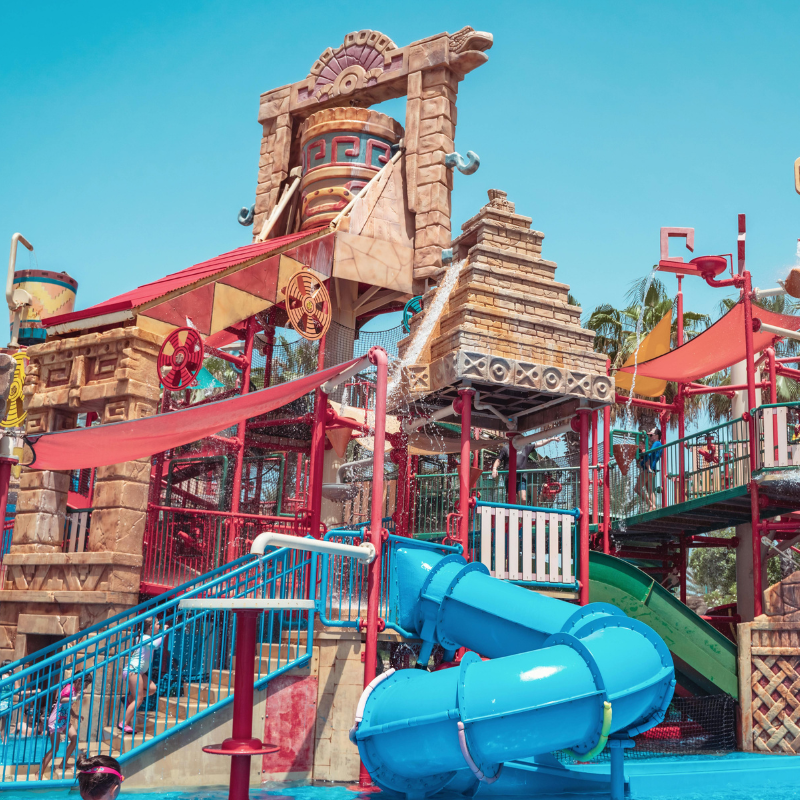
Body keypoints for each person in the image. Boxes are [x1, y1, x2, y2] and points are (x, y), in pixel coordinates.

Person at [120, 618, 169, 734]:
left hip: (139, 672)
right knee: (139, 699)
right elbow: (155, 645)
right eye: (158, 624)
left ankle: (129, 699)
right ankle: (124, 723)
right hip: (134, 671)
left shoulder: (143, 637)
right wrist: (164, 632)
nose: (159, 626)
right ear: (151, 627)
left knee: (152, 689)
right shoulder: (145, 638)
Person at [41, 673, 93, 774]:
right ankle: (39, 772)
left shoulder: (75, 691)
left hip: (64, 720)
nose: (85, 688)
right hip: (56, 721)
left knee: (74, 739)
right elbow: (62, 700)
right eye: (85, 685)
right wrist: (76, 698)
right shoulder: (69, 689)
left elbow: (67, 705)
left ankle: (63, 763)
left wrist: (75, 715)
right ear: (78, 680)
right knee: (55, 748)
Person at [491, 436, 560, 504]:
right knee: (512, 499)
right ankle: (512, 511)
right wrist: (494, 468)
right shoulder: (506, 448)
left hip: (521, 478)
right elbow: (498, 460)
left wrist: (551, 439)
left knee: (523, 498)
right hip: (510, 478)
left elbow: (539, 443)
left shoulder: (525, 448)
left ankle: (522, 511)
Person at [635, 427, 663, 511]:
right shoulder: (659, 445)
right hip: (652, 470)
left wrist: (642, 461)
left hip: (648, 470)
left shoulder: (657, 443)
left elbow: (649, 454)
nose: (650, 437)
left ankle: (651, 505)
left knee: (637, 489)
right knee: (650, 490)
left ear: (657, 435)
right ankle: (653, 508)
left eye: (651, 435)